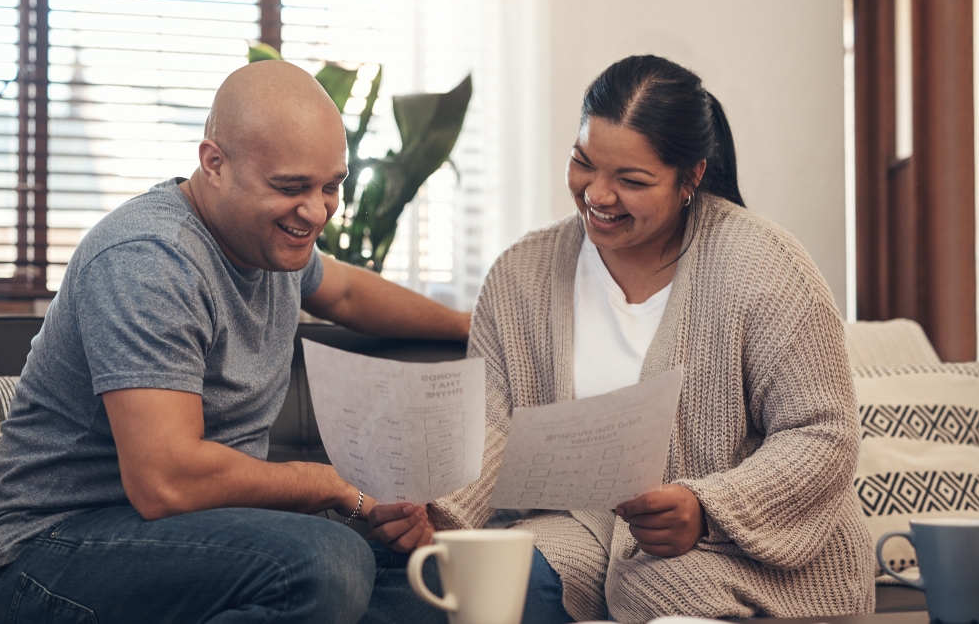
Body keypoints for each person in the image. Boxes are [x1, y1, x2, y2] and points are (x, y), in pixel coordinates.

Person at [361, 55, 875, 623]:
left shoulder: (765, 265)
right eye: (583, 163)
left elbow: (823, 432)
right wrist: (437, 507)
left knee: (664, 589)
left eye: (631, 181)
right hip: (578, 529)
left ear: (692, 178)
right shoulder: (519, 275)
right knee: (449, 584)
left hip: (746, 549)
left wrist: (708, 508)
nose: (598, 195)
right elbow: (493, 425)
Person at [0, 60, 467, 624]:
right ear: (214, 164)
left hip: (200, 541)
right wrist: (329, 485)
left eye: (331, 186)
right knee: (325, 562)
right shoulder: (148, 259)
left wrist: (467, 324)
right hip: (56, 554)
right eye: (290, 187)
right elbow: (166, 482)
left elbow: (350, 293)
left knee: (425, 585)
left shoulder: (275, 243)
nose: (316, 211)